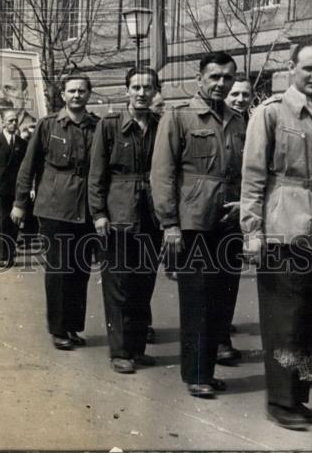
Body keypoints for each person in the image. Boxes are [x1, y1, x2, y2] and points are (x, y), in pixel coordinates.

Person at [150, 51, 246, 398]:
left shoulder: (237, 120)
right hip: (193, 222)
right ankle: (196, 375)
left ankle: (206, 370)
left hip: (228, 223)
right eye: (215, 77)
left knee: (222, 300)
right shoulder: (178, 118)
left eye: (228, 78)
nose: (221, 83)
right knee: (197, 301)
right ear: (199, 79)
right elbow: (162, 174)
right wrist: (169, 224)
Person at [241, 37, 312, 431]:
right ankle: (279, 400)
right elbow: (253, 178)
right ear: (292, 68)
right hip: (281, 230)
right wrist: (252, 232)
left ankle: (298, 398)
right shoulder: (270, 113)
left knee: (310, 319)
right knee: (282, 319)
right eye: (308, 68)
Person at [12, 75, 99, 350]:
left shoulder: (97, 127)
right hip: (54, 207)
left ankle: (73, 326)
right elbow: (29, 166)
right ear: (63, 95)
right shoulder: (47, 125)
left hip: (86, 208)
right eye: (72, 91)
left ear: (89, 94)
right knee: (59, 270)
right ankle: (58, 329)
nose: (77, 95)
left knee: (81, 270)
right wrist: (20, 202)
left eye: (82, 91)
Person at [88, 67, 162, 374]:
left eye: (148, 87)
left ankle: (136, 348)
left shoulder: (162, 125)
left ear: (156, 90)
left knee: (144, 282)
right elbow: (96, 174)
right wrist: (99, 214)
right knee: (118, 283)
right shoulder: (109, 126)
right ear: (126, 90)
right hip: (118, 214)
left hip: (152, 214)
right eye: (136, 87)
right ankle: (120, 351)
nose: (142, 93)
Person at [0, 110, 27, 268]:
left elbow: (25, 168)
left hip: (15, 189)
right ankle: (1, 255)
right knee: (1, 221)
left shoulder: (22, 143)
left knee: (14, 222)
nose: (14, 123)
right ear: (3, 122)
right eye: (10, 121)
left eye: (15, 120)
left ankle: (10, 254)